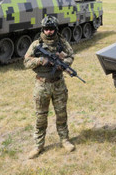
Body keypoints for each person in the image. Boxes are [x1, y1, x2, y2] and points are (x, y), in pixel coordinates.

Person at [24, 16, 75, 158]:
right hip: (42, 85)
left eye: (51, 29)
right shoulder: (36, 44)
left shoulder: (62, 42)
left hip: (58, 84)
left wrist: (62, 61)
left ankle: (65, 140)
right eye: (46, 29)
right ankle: (38, 146)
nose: (49, 32)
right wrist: (41, 60)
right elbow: (26, 62)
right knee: (41, 117)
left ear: (55, 29)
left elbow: (71, 56)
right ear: (42, 29)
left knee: (61, 114)